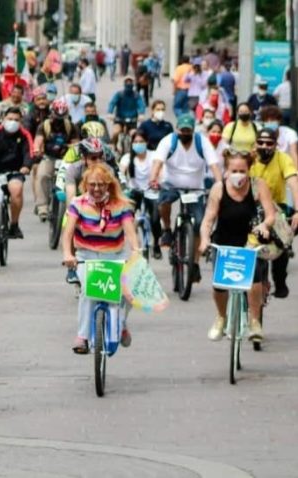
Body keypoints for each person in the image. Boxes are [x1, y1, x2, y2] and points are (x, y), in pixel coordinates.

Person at [61, 164, 139, 354]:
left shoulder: (121, 205)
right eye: (92, 184)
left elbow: (130, 232)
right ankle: (82, 337)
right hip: (86, 257)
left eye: (101, 185)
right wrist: (68, 254)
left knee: (128, 293)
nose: (96, 189)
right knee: (88, 292)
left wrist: (136, 251)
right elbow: (68, 233)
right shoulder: (77, 203)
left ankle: (121, 323)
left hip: (115, 256)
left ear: (109, 185)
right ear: (85, 184)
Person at [199, 149, 275, 342]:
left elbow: (270, 215)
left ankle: (254, 321)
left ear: (249, 170)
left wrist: (264, 226)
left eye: (242, 171)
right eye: (234, 171)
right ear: (226, 170)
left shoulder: (258, 186)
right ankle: (221, 318)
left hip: (249, 242)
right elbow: (208, 219)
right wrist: (205, 239)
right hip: (223, 242)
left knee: (254, 279)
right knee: (219, 284)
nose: (238, 175)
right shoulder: (218, 189)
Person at [149, 114, 222, 282]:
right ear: (177, 130)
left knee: (199, 224)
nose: (185, 133)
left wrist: (219, 185)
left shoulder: (202, 142)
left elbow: (214, 166)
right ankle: (167, 229)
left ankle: (195, 262)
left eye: (188, 131)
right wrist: (153, 179)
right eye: (182, 130)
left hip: (196, 189)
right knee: (163, 201)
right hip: (172, 184)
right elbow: (157, 163)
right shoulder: (168, 141)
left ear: (193, 130)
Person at [249, 128, 298, 298]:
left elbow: (294, 184)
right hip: (251, 207)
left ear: (276, 145)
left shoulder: (283, 159)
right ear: (255, 143)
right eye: (260, 142)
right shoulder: (249, 159)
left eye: (269, 143)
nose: (264, 146)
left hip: (277, 208)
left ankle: (280, 280)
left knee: (282, 240)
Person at [0, 107, 34, 238]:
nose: (12, 122)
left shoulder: (25, 135)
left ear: (20, 121)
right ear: (3, 119)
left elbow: (29, 153)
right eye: (10, 119)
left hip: (14, 172)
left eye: (16, 120)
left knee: (16, 189)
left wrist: (26, 166)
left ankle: (14, 225)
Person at [120, 130, 162, 259]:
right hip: (134, 192)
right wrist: (122, 182)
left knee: (155, 219)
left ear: (147, 142)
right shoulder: (127, 158)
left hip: (151, 192)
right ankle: (136, 247)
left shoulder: (154, 156)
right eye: (136, 142)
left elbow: (161, 170)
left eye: (141, 141)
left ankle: (156, 243)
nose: (138, 144)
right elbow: (121, 171)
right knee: (126, 216)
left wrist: (158, 183)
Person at [33, 99, 77, 220]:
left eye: (62, 116)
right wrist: (37, 149)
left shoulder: (70, 126)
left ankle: (73, 206)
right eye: (57, 115)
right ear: (52, 112)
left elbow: (76, 142)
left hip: (66, 159)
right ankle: (42, 207)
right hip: (49, 157)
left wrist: (72, 147)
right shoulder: (44, 125)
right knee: (42, 175)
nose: (59, 119)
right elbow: (38, 140)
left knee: (73, 177)